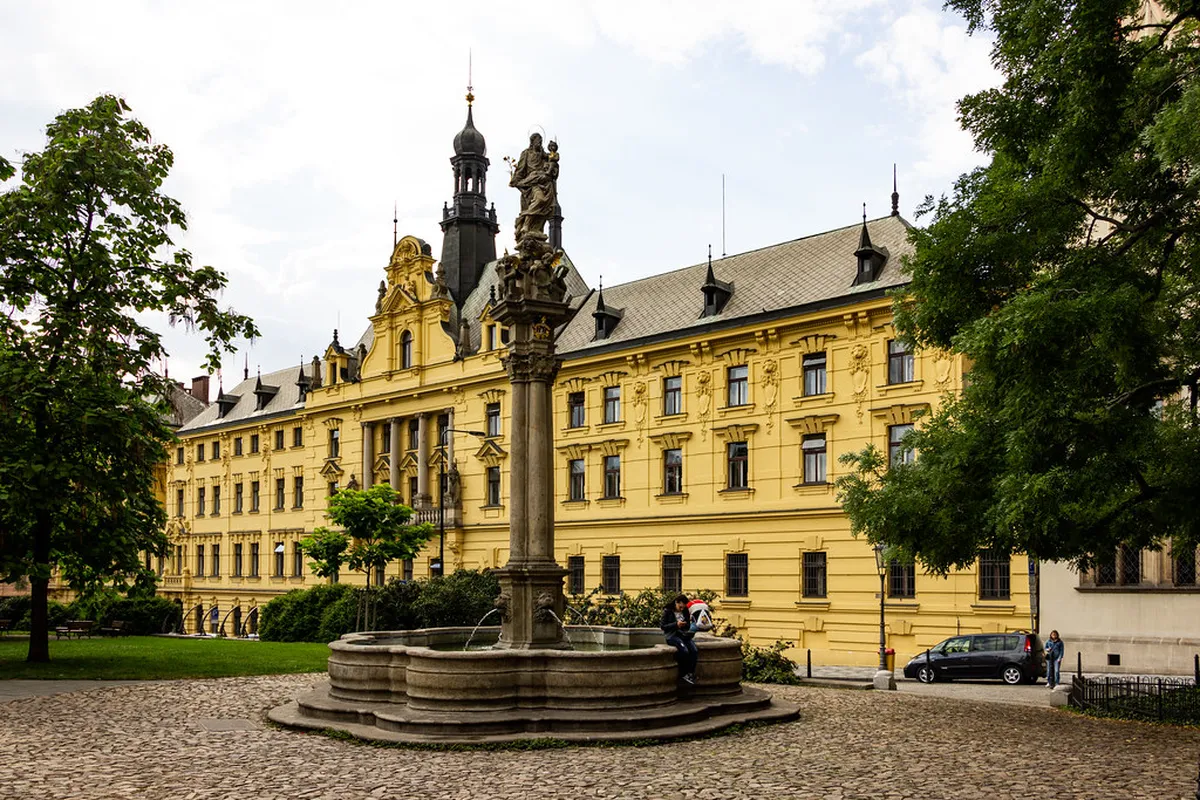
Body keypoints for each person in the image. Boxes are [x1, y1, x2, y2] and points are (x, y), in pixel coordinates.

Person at [660, 593, 698, 684]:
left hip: (683, 634)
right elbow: (663, 626)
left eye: (683, 607)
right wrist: (676, 625)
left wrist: (685, 625)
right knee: (684, 651)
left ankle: (690, 673)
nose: (682, 609)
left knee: (694, 650)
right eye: (680, 607)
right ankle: (683, 673)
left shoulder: (685, 611)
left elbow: (688, 625)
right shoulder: (668, 611)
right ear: (676, 602)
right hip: (672, 635)